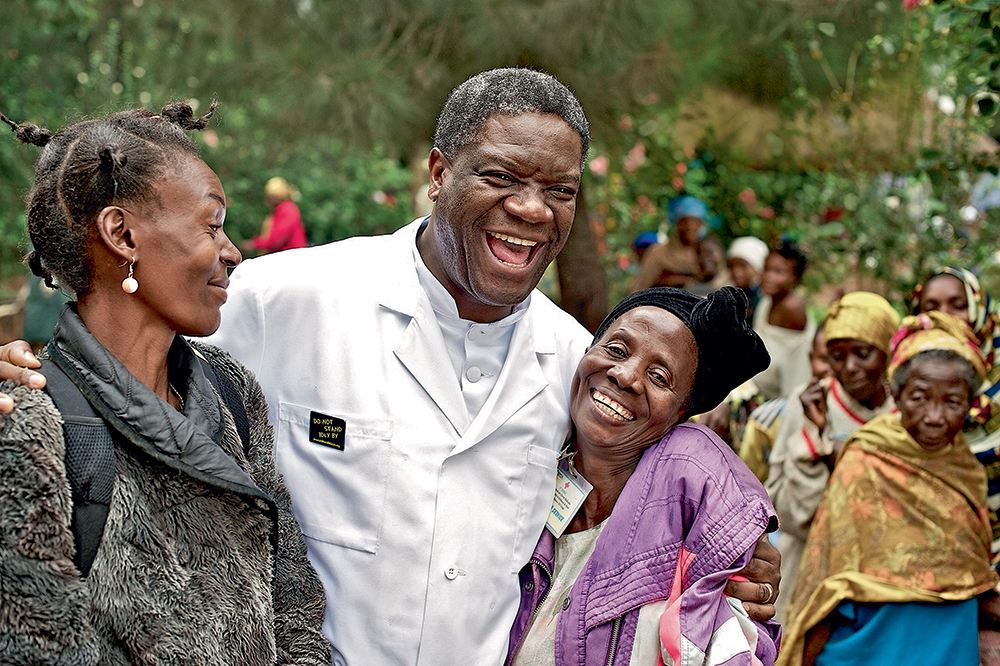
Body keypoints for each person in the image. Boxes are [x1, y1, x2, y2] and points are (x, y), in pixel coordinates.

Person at [0, 69, 779, 665]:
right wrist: (16, 374)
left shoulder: (579, 367)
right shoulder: (287, 300)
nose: (534, 210)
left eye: (559, 190)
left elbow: (639, 520)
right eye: (502, 178)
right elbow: (112, 357)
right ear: (439, 173)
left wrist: (733, 561)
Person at [0, 106, 329, 664]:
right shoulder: (34, 427)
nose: (232, 252)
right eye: (212, 224)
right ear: (122, 234)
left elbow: (295, 610)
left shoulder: (232, 392)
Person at [506, 287, 779, 666]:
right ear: (586, 354)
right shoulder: (517, 456)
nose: (625, 376)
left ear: (681, 413)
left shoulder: (690, 522)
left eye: (659, 376)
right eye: (616, 351)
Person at [777, 311, 999, 665]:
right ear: (897, 395)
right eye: (919, 398)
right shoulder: (866, 456)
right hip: (867, 645)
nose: (934, 416)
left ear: (971, 405)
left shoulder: (967, 472)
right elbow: (832, 572)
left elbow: (970, 574)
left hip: (949, 645)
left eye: (952, 402)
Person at [765, 291, 900, 622]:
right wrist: (815, 442)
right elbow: (791, 514)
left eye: (863, 354)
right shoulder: (809, 404)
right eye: (837, 356)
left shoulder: (907, 410)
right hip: (812, 572)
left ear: (887, 353)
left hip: (887, 579)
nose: (849, 368)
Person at [913, 266, 1000, 564]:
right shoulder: (900, 384)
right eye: (932, 307)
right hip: (934, 561)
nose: (945, 316)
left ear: (978, 309)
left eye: (958, 305)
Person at [740, 328, 833, 484]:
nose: (836, 369)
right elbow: (748, 486)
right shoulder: (766, 422)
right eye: (825, 359)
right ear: (811, 359)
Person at [752, 239, 815, 401]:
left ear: (795, 277)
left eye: (778, 272)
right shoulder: (767, 301)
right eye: (766, 269)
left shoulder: (792, 309)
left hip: (785, 398)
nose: (768, 277)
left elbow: (795, 371)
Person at [630, 195, 706, 292]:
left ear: (701, 223)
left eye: (695, 221)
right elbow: (639, 289)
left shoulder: (708, 253)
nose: (690, 226)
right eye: (684, 221)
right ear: (676, 222)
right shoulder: (658, 252)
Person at [242, 176, 308, 255]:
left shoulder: (288, 210)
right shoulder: (280, 210)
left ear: (277, 196)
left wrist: (254, 244)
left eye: (269, 197)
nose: (267, 200)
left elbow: (276, 240)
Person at [727, 236, 769, 318]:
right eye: (732, 266)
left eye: (742, 266)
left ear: (758, 268)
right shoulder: (729, 298)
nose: (736, 272)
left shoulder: (765, 300)